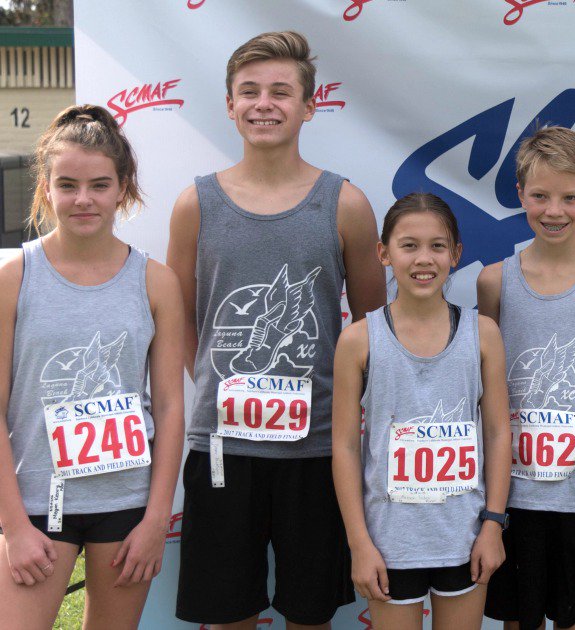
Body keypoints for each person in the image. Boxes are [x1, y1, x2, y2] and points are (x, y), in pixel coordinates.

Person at [166, 31, 386, 628]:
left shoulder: (345, 204)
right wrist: (219, 381)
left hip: (316, 449)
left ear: (309, 106)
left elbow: (372, 330)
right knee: (226, 610)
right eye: (250, 91)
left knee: (309, 612)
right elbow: (178, 317)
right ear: (230, 105)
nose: (264, 103)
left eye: (281, 92)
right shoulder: (196, 204)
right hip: (221, 448)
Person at [0, 105, 186, 629]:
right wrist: (13, 526)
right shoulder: (15, 279)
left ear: (124, 188)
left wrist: (155, 519)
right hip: (37, 502)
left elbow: (171, 408)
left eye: (100, 185)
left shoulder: (156, 282)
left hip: (127, 507)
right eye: (68, 185)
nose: (83, 199)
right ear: (46, 187)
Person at [477, 126, 575, 630]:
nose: (554, 210)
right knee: (516, 619)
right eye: (540, 196)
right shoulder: (494, 281)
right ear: (520, 194)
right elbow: (486, 391)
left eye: (570, 197)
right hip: (513, 491)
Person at [331, 193, 510, 629]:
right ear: (384, 253)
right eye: (409, 245)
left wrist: (493, 525)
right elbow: (344, 448)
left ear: (456, 254)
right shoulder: (358, 339)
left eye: (437, 246)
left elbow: (498, 433)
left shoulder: (482, 333)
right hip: (389, 540)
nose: (423, 258)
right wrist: (359, 543)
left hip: (464, 538)